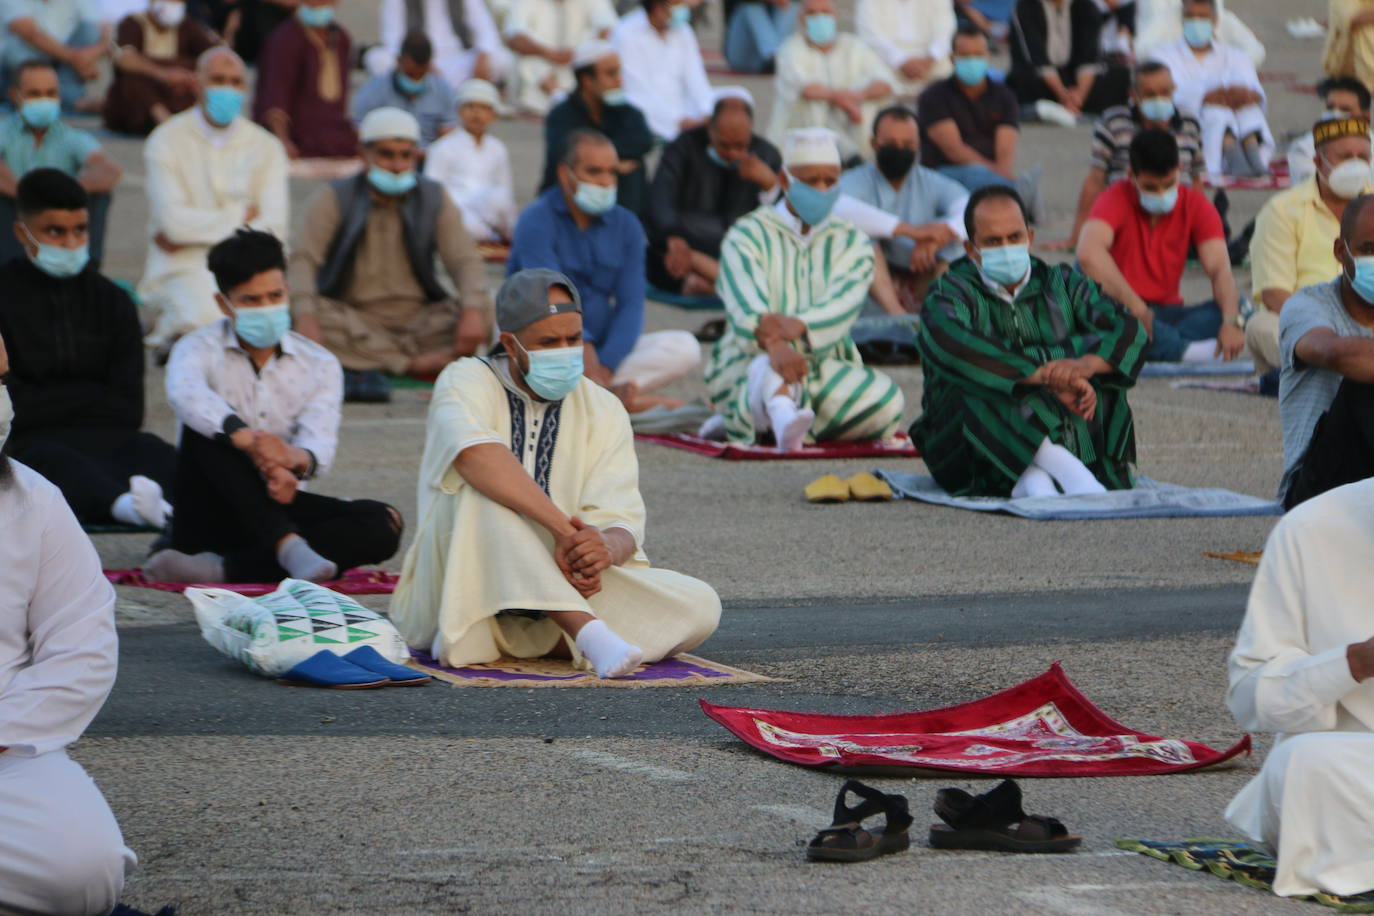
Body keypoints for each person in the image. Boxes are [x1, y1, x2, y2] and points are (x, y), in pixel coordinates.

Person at [388, 268, 721, 677]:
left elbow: (621, 518)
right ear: (511, 345)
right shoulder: (464, 379)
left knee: (702, 604)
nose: (565, 351)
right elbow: (476, 457)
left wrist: (601, 548)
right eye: (549, 342)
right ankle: (588, 636)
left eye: (573, 339)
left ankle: (540, 639)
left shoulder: (602, 406)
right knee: (484, 492)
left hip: (564, 587)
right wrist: (564, 532)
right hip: (460, 584)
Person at [152, 229, 403, 584]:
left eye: (275, 296)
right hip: (208, 510)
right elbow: (187, 395)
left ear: (288, 291)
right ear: (225, 304)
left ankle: (223, 570)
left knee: (383, 522)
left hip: (279, 496)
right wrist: (248, 441)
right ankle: (288, 548)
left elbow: (319, 448)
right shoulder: (195, 349)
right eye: (251, 300)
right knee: (209, 430)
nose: (266, 308)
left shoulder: (319, 362)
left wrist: (290, 461)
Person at [0, 353, 137, 916]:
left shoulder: (33, 502)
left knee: (82, 868)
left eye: (2, 377)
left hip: (5, 738)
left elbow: (83, 646)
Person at [912, 185, 1147, 497]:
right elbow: (955, 347)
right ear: (971, 249)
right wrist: (1045, 375)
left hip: (1066, 423)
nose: (1006, 247)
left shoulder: (1064, 284)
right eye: (993, 242)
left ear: (1030, 238)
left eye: (1014, 237)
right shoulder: (949, 293)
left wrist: (1082, 366)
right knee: (979, 377)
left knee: (1106, 367)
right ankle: (1064, 470)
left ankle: (1034, 479)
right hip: (972, 449)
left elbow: (1129, 330)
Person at [704, 128, 905, 449]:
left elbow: (842, 306)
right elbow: (746, 308)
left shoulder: (851, 241)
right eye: (812, 181)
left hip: (823, 365)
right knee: (762, 366)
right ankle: (781, 415)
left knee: (887, 400)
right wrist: (775, 346)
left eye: (831, 181)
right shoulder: (747, 234)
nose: (823, 190)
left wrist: (789, 337)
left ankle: (754, 416)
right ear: (784, 181)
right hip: (747, 357)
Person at [0, 169, 176, 528]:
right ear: (23, 233)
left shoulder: (113, 301)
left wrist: (45, 399)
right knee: (37, 464)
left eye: (80, 230)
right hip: (34, 443)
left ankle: (159, 508)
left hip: (113, 438)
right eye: (55, 232)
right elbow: (11, 413)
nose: (70, 242)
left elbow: (129, 408)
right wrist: (90, 397)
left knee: (165, 457)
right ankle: (126, 507)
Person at [1225, 477, 1374, 900]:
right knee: (1301, 764)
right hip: (1355, 775)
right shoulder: (1312, 529)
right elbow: (1250, 698)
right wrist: (1354, 662)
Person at [290, 107, 492, 405]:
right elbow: (303, 259)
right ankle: (410, 365)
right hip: (352, 320)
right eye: (386, 154)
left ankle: (376, 363)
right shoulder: (336, 197)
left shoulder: (434, 198)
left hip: (421, 322)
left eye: (405, 155)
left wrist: (473, 311)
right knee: (296, 315)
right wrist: (305, 315)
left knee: (487, 308)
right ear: (364, 153)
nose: (397, 165)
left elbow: (464, 261)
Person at [511, 129, 700, 405]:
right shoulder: (535, 220)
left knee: (685, 347)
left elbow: (631, 304)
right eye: (594, 172)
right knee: (530, 357)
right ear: (565, 175)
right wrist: (583, 349)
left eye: (612, 173)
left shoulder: (627, 225)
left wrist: (605, 366)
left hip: (603, 356)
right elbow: (549, 299)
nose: (606, 182)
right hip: (549, 347)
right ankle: (616, 401)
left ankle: (595, 396)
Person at [140, 47, 289, 350]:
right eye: (218, 79)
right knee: (209, 322)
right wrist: (240, 216)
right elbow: (173, 225)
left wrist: (190, 232)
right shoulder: (165, 140)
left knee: (260, 324)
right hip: (182, 265)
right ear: (197, 83)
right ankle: (169, 325)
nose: (228, 88)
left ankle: (167, 328)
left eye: (235, 81)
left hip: (250, 269)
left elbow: (274, 227)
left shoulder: (267, 146)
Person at [1076, 129, 1245, 363]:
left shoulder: (1196, 204)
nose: (1161, 193)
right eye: (1150, 187)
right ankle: (1186, 351)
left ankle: (1150, 346)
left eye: (1168, 184)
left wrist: (1230, 322)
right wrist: (1136, 307)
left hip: (1165, 314)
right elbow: (1087, 255)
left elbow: (1220, 269)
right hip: (1122, 306)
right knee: (1087, 297)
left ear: (1179, 170)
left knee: (1239, 308)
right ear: (1130, 176)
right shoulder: (1114, 197)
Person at [1246, 118, 1372, 380]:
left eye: (1363, 157)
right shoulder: (1281, 211)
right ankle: (1346, 365)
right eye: (1345, 157)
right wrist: (1327, 330)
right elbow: (1274, 295)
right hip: (1309, 325)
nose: (1356, 165)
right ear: (1318, 162)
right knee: (1261, 326)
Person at [1272, 195, 1374, 508]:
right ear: (1340, 251)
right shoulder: (1308, 305)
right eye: (1369, 249)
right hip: (1315, 494)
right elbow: (1336, 355)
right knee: (1364, 379)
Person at [1053, 60, 1201, 251]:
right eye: (1150, 95)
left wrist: (1198, 231)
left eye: (1165, 92)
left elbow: (1197, 180)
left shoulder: (1189, 123)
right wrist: (1077, 237)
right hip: (1126, 219)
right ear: (1134, 95)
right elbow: (1095, 181)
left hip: (1176, 219)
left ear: (1174, 89)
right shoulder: (1113, 123)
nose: (1159, 100)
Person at [646, 91, 783, 296]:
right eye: (724, 145)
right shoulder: (683, 146)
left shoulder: (766, 155)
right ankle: (716, 283)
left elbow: (781, 222)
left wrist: (769, 185)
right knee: (653, 253)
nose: (732, 154)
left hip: (739, 248)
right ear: (709, 128)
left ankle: (710, 280)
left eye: (740, 146)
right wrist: (673, 237)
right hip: (684, 239)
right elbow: (659, 200)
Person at [839, 105, 967, 311]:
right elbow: (840, 207)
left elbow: (969, 208)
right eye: (891, 143)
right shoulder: (856, 181)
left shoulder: (930, 181)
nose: (899, 149)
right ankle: (897, 318)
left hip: (924, 272)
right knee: (859, 239)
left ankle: (944, 313)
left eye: (907, 144)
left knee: (961, 241)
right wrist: (914, 232)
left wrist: (939, 237)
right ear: (874, 143)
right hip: (876, 284)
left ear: (918, 147)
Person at [0, 60, 120, 266]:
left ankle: (87, 268)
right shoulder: (5, 131)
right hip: (16, 216)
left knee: (99, 196)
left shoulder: (70, 137)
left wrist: (62, 196)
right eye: (34, 94)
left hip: (59, 221)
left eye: (50, 93)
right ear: (14, 95)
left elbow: (108, 170)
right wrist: (31, 198)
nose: (44, 100)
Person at [1149, 0, 1273, 180]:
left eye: (1202, 17)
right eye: (1191, 17)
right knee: (1216, 113)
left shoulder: (1235, 55)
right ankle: (1232, 157)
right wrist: (1208, 96)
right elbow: (1172, 93)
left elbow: (1253, 93)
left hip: (1239, 119)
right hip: (1190, 120)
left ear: (1214, 21)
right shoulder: (1164, 55)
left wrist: (1232, 95)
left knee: (1248, 109)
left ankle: (1254, 158)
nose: (1196, 23)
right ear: (1182, 20)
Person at [766, 0, 895, 159]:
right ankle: (851, 158)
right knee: (813, 102)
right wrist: (842, 100)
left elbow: (885, 84)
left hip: (851, 123)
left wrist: (854, 98)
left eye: (825, 12)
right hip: (803, 140)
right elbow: (806, 90)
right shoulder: (790, 49)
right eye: (812, 13)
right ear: (801, 18)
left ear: (835, 16)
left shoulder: (855, 46)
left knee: (866, 92)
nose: (819, 18)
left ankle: (862, 157)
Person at [539, 41, 653, 216]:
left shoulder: (623, 110)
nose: (619, 80)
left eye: (618, 72)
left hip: (616, 197)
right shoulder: (561, 115)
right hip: (571, 201)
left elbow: (644, 141)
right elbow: (565, 157)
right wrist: (615, 163)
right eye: (611, 73)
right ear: (587, 81)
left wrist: (603, 159)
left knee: (632, 171)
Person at [917, 25, 1023, 193]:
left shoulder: (1004, 96)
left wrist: (1000, 172)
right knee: (975, 174)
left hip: (993, 174)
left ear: (987, 56)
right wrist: (997, 173)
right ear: (952, 58)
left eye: (978, 55)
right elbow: (954, 150)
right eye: (965, 56)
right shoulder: (933, 96)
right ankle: (1016, 191)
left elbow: (1006, 148)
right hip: (944, 174)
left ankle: (1011, 191)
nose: (972, 61)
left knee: (986, 180)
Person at [252, 0, 357, 159]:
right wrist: (283, 140)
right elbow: (275, 97)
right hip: (298, 139)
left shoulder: (342, 39)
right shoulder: (283, 39)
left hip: (334, 138)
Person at [104, 0, 220, 136]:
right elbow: (125, 59)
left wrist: (187, 76)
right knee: (132, 77)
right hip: (142, 102)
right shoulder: (133, 23)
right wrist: (164, 73)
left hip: (176, 92)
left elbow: (214, 54)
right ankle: (164, 121)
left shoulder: (186, 26)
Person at [423, 78, 517, 243]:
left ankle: (501, 235)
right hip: (458, 208)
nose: (476, 114)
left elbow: (504, 189)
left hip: (489, 207)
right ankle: (492, 236)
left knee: (501, 199)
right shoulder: (441, 147)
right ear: (459, 111)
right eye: (470, 107)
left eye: (483, 108)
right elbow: (432, 192)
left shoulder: (498, 148)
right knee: (471, 228)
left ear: (493, 115)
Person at [612, 0, 714, 142]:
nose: (684, 8)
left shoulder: (683, 30)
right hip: (650, 110)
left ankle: (702, 126)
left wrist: (706, 112)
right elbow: (636, 88)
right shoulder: (625, 32)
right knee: (633, 102)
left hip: (684, 106)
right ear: (657, 6)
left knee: (738, 96)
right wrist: (677, 120)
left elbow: (696, 79)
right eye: (677, 4)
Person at [1007, 0, 1129, 118]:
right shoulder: (1026, 6)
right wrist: (1063, 95)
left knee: (1119, 74)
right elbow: (1036, 58)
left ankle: (1073, 108)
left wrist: (1079, 97)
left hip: (1075, 80)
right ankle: (1063, 108)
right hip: (1043, 79)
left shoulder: (1086, 6)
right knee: (1023, 79)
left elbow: (1089, 59)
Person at [366, 0, 512, 90]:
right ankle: (456, 91)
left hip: (458, 61)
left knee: (503, 58)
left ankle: (444, 90)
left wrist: (482, 55)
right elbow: (393, 41)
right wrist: (423, 64)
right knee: (377, 59)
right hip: (418, 62)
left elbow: (487, 31)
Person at [502, 0, 616, 115]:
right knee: (527, 49)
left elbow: (609, 30)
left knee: (596, 44)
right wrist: (549, 53)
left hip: (576, 63)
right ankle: (559, 98)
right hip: (540, 69)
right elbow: (514, 37)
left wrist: (579, 52)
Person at [352, 28, 458, 148]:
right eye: (411, 74)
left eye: (421, 75)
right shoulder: (373, 90)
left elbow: (448, 136)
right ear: (399, 61)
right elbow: (360, 132)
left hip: (430, 160)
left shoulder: (443, 90)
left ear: (429, 66)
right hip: (386, 156)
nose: (415, 80)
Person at [0, 0, 108, 110]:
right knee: (15, 54)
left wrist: (89, 56)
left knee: (90, 31)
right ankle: (74, 101)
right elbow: (30, 33)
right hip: (30, 58)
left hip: (64, 59)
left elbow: (102, 33)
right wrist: (77, 58)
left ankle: (59, 98)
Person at [856, 0, 954, 101]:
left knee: (946, 70)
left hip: (929, 60)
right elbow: (870, 35)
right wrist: (900, 61)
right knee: (870, 74)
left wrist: (929, 59)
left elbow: (945, 32)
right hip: (887, 59)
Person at [1289, 77, 1373, 184]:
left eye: (1345, 110)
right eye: (1330, 108)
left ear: (1365, 117)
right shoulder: (1303, 149)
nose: (1335, 114)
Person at [723, 0, 796, 73]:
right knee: (751, 5)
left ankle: (777, 57)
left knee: (793, 5)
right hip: (743, 56)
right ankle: (773, 54)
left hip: (776, 62)